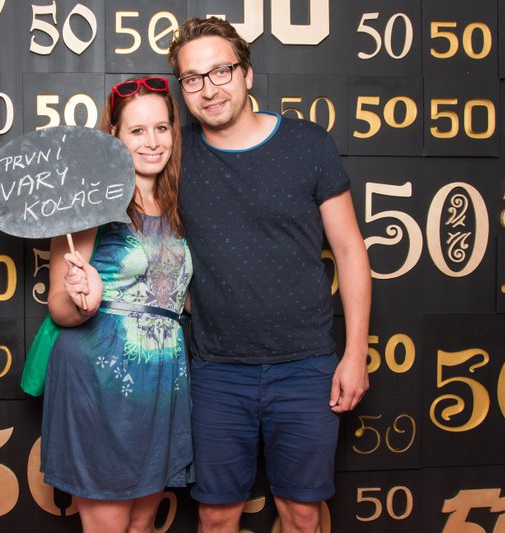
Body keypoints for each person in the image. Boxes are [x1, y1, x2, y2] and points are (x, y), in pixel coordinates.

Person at [167, 18, 371, 533]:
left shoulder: (308, 144)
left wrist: (355, 355)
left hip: (306, 366)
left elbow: (350, 250)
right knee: (215, 516)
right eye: (193, 78)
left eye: (221, 71)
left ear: (247, 74)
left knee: (301, 515)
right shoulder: (175, 155)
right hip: (216, 369)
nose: (209, 88)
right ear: (182, 89)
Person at [38, 77, 192, 533]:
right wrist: (84, 302)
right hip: (99, 378)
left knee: (142, 526)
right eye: (137, 130)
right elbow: (59, 306)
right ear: (114, 136)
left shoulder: (176, 203)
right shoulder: (91, 203)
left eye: (161, 128)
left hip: (159, 381)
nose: (152, 142)